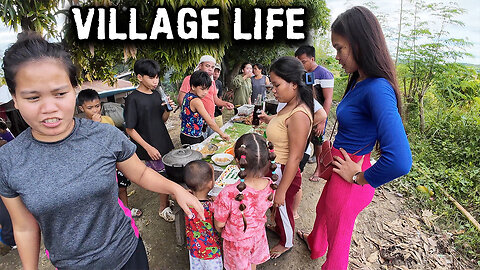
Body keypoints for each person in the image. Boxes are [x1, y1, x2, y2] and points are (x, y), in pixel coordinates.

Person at [0, 33, 205, 269]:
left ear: (73, 90)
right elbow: (24, 226)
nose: (49, 108)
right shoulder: (9, 160)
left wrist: (175, 190)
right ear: (15, 99)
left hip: (127, 254)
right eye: (33, 98)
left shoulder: (104, 135)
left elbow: (139, 173)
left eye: (60, 94)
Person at [296, 7, 412, 269]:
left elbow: (401, 161)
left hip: (350, 181)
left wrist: (359, 177)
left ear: (359, 44)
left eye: (340, 48)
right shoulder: (360, 80)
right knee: (322, 211)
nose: (336, 57)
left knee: (338, 251)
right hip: (341, 173)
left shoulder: (378, 89)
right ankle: (315, 244)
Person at [258, 56, 314, 259]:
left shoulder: (299, 114)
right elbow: (283, 122)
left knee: (283, 208)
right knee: (277, 208)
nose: (273, 90)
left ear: (293, 84)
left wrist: (281, 191)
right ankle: (279, 229)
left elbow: (295, 157)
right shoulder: (289, 105)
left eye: (276, 85)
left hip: (284, 170)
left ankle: (287, 242)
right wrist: (270, 119)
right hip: (276, 168)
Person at [214, 133, 277, 270]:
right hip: (258, 235)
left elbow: (219, 223)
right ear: (267, 160)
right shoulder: (270, 185)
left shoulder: (227, 193)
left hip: (237, 242)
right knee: (252, 263)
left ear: (238, 161)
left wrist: (220, 231)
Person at [124, 59, 177, 222]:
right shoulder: (133, 99)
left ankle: (167, 201)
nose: (156, 81)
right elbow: (129, 129)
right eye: (151, 78)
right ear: (140, 77)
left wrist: (168, 109)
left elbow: (162, 120)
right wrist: (148, 148)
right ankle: (163, 208)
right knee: (162, 177)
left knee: (168, 173)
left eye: (157, 77)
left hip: (163, 140)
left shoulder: (156, 95)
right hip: (149, 145)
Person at [77, 89, 142, 217]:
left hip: (115, 161)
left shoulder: (107, 119)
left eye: (97, 106)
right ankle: (113, 214)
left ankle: (126, 210)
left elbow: (114, 140)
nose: (95, 111)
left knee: (122, 187)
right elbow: (88, 148)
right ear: (81, 108)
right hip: (100, 165)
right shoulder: (82, 128)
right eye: (90, 108)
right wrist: (95, 127)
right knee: (108, 192)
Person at [295, 45, 335, 182]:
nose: (301, 64)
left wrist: (322, 122)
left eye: (303, 61)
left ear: (312, 59)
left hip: (319, 115)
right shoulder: (305, 74)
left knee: (318, 142)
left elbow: (328, 99)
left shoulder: (325, 74)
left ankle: (319, 169)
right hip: (306, 114)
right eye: (298, 61)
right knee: (306, 139)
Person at [177, 55, 234, 138]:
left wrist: (225, 103)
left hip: (211, 119)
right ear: (200, 65)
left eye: (212, 67)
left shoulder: (212, 82)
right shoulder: (190, 79)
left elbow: (215, 99)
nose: (210, 69)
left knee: (211, 143)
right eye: (207, 66)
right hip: (197, 122)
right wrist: (190, 116)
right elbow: (181, 100)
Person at [184, 160, 223, 270]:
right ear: (210, 184)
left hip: (194, 248)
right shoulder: (212, 206)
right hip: (211, 252)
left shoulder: (186, 201)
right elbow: (219, 226)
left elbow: (174, 195)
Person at [180, 70, 230, 145]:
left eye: (207, 89)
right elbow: (210, 122)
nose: (205, 92)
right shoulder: (196, 101)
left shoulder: (187, 96)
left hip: (185, 134)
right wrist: (222, 134)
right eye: (202, 89)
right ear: (193, 86)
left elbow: (190, 114)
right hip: (192, 137)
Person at [213, 63, 224, 128]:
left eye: (218, 72)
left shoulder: (219, 83)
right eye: (214, 71)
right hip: (208, 113)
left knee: (220, 129)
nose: (216, 73)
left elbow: (220, 96)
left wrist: (221, 104)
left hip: (217, 111)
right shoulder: (206, 82)